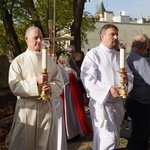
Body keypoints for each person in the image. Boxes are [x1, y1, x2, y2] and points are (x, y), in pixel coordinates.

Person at [6, 26, 64, 150]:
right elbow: (15, 86)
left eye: (40, 38)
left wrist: (50, 88)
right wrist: (35, 82)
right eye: (35, 38)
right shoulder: (18, 61)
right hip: (28, 109)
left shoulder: (50, 61)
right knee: (25, 145)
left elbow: (59, 82)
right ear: (26, 39)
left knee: (46, 144)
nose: (39, 41)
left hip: (46, 109)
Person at [80, 24, 133, 150]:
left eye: (116, 34)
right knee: (108, 139)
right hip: (101, 104)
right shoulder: (93, 54)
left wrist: (126, 80)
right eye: (112, 34)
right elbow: (87, 78)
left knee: (112, 138)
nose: (115, 37)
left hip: (117, 103)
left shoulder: (119, 55)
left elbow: (130, 75)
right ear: (102, 36)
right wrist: (108, 88)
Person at [126, 34, 150, 150]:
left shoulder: (129, 57)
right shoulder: (140, 60)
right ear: (145, 46)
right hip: (142, 104)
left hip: (134, 101)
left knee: (140, 134)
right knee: (140, 136)